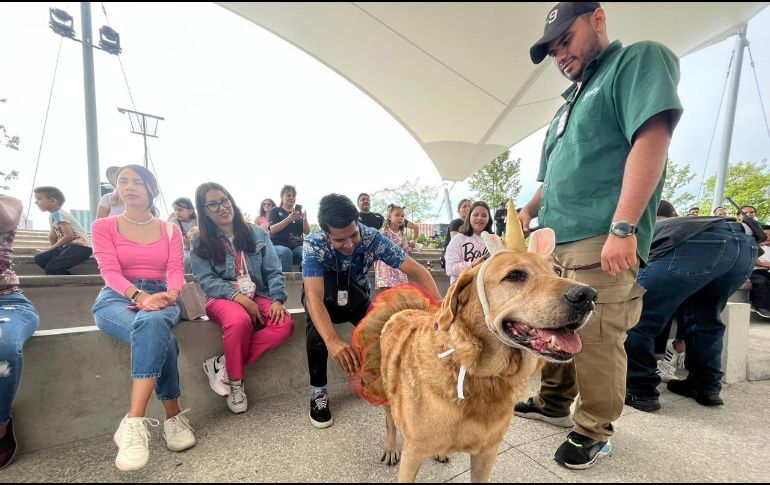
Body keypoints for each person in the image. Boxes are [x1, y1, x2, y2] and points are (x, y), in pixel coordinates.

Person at [515, 2, 683, 470]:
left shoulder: (636, 62)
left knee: (599, 335)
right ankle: (552, 403)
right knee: (551, 325)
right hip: (554, 240)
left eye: (565, 40)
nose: (559, 55)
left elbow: (652, 139)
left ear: (598, 18)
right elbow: (551, 181)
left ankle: (593, 429)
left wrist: (624, 227)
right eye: (552, 51)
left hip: (603, 235)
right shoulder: (566, 103)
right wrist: (526, 213)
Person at [301, 194, 440, 429]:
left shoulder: (372, 237)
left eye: (353, 235)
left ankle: (375, 378)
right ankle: (319, 393)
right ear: (326, 233)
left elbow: (419, 272)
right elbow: (313, 296)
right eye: (339, 240)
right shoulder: (314, 244)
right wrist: (333, 341)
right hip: (324, 297)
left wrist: (440, 311)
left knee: (380, 330)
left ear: (357, 223)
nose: (349, 244)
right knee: (317, 336)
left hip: (355, 295)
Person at [91, 164, 196, 471]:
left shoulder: (169, 229)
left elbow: (176, 269)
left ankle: (133, 421)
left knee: (155, 323)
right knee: (159, 333)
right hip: (118, 297)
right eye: (123, 181)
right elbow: (109, 271)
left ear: (152, 189)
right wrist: (139, 296)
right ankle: (170, 417)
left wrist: (171, 295)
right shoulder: (103, 227)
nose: (129, 186)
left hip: (164, 294)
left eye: (138, 181)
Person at [624, 215, 757, 411]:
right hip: (746, 246)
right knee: (705, 318)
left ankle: (640, 390)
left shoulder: (642, 229)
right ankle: (705, 386)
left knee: (636, 316)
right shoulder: (675, 223)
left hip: (698, 244)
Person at [191, 183, 294, 414]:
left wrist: (277, 299)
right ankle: (236, 384)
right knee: (239, 321)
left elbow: (274, 271)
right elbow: (206, 280)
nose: (222, 207)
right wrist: (240, 298)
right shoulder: (200, 240)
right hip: (221, 297)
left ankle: (224, 364)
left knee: (284, 325)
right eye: (213, 204)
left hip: (258, 293)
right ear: (204, 210)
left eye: (224, 200)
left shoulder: (256, 233)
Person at [0, 195, 40, 470]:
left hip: (7, 301)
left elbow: (7, 217)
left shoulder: (8, 203)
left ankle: (0, 426)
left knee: (2, 347)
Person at [33, 186, 93, 275]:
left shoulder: (59, 214)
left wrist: (50, 249)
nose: (36, 202)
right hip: (69, 246)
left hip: (81, 247)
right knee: (40, 258)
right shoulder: (52, 216)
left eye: (39, 199)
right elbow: (53, 236)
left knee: (51, 268)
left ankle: (70, 280)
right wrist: (50, 250)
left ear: (53, 201)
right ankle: (57, 269)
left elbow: (69, 236)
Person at [444, 201, 492, 284]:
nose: (480, 218)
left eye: (484, 215)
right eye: (475, 215)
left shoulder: (494, 240)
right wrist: (472, 264)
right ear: (469, 217)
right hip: (463, 288)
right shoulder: (458, 239)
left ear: (488, 219)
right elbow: (450, 269)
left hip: (487, 288)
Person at [269, 185, 310, 272]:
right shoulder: (275, 211)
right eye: (288, 195)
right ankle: (286, 283)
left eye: (293, 196)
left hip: (296, 247)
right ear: (282, 197)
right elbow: (272, 229)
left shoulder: (298, 214)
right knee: (286, 252)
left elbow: (307, 232)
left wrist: (305, 220)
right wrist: (288, 219)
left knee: (306, 250)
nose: (291, 197)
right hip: (278, 246)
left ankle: (306, 281)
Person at [375, 204, 411, 290]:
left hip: (399, 266)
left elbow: (405, 250)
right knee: (386, 293)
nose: (400, 218)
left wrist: (408, 249)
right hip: (385, 266)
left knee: (399, 293)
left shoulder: (402, 234)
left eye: (402, 216)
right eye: (397, 215)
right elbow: (377, 246)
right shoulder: (384, 231)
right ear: (389, 217)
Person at [439, 198, 471, 269]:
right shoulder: (457, 222)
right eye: (464, 206)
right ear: (458, 210)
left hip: (464, 257)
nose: (468, 208)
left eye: (470, 206)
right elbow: (456, 242)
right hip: (454, 258)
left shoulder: (471, 225)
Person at [168, 197, 198, 273]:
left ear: (190, 211)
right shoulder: (174, 221)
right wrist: (188, 236)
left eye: (180, 210)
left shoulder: (196, 221)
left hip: (196, 247)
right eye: (175, 210)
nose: (177, 212)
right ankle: (187, 277)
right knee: (187, 260)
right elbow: (180, 239)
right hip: (182, 249)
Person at [749, 224, 770, 318]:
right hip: (755, 271)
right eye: (765, 235)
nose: (768, 237)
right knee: (761, 282)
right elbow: (756, 262)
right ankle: (761, 307)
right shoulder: (754, 246)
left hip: (767, 271)